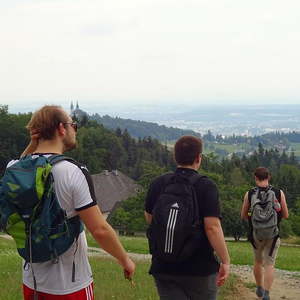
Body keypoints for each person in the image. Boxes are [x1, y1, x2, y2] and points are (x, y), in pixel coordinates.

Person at [7, 105, 135, 300]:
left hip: (31, 281)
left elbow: (21, 165)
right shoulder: (73, 172)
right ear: (61, 128)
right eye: (73, 125)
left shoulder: (14, 169)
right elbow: (99, 229)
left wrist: (34, 144)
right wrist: (125, 260)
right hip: (70, 284)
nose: (75, 129)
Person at [144, 135, 230, 300]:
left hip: (163, 266)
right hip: (199, 269)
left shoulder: (159, 183)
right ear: (199, 158)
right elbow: (212, 227)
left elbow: (150, 218)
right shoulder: (206, 186)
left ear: (175, 157)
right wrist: (225, 261)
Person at [241, 167, 288, 300]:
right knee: (269, 264)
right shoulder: (279, 193)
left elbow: (243, 215)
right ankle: (267, 294)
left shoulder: (249, 194)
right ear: (269, 177)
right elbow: (285, 214)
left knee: (257, 261)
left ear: (255, 178)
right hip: (273, 234)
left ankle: (259, 287)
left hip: (256, 234)